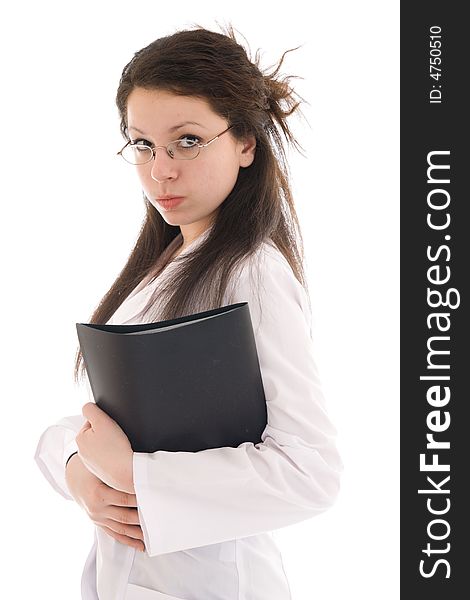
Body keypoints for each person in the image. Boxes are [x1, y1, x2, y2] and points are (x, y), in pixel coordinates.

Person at [34, 23, 343, 600]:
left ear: (246, 142)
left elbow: (311, 473)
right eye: (143, 145)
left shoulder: (252, 271)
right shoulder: (165, 264)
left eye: (188, 141)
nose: (161, 170)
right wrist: (76, 467)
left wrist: (133, 478)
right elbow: (100, 422)